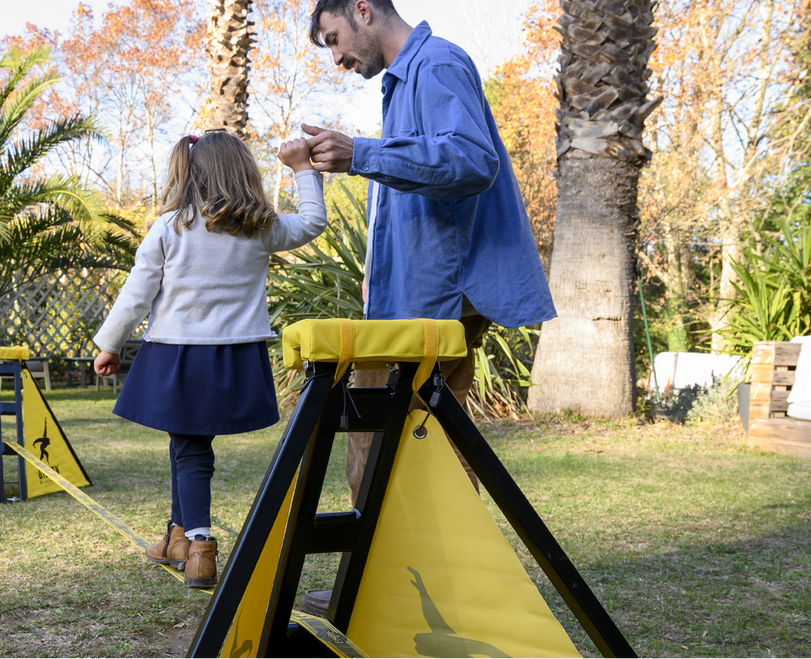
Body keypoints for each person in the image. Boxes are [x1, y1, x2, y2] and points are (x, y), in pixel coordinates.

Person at [299, 0, 556, 615]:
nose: (336, 58)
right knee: (434, 437)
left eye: (335, 39)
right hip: (419, 295)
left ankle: (388, 586)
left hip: (440, 297)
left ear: (364, 9)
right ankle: (446, 582)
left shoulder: (437, 63)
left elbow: (471, 161)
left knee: (373, 425)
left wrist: (361, 154)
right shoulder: (406, 80)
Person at [93, 130, 328, 589]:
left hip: (179, 357)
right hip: (237, 359)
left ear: (189, 171)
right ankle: (176, 538)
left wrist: (110, 344)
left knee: (191, 448)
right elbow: (313, 223)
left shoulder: (170, 226)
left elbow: (137, 294)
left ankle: (200, 547)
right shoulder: (260, 228)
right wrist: (303, 169)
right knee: (187, 444)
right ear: (243, 172)